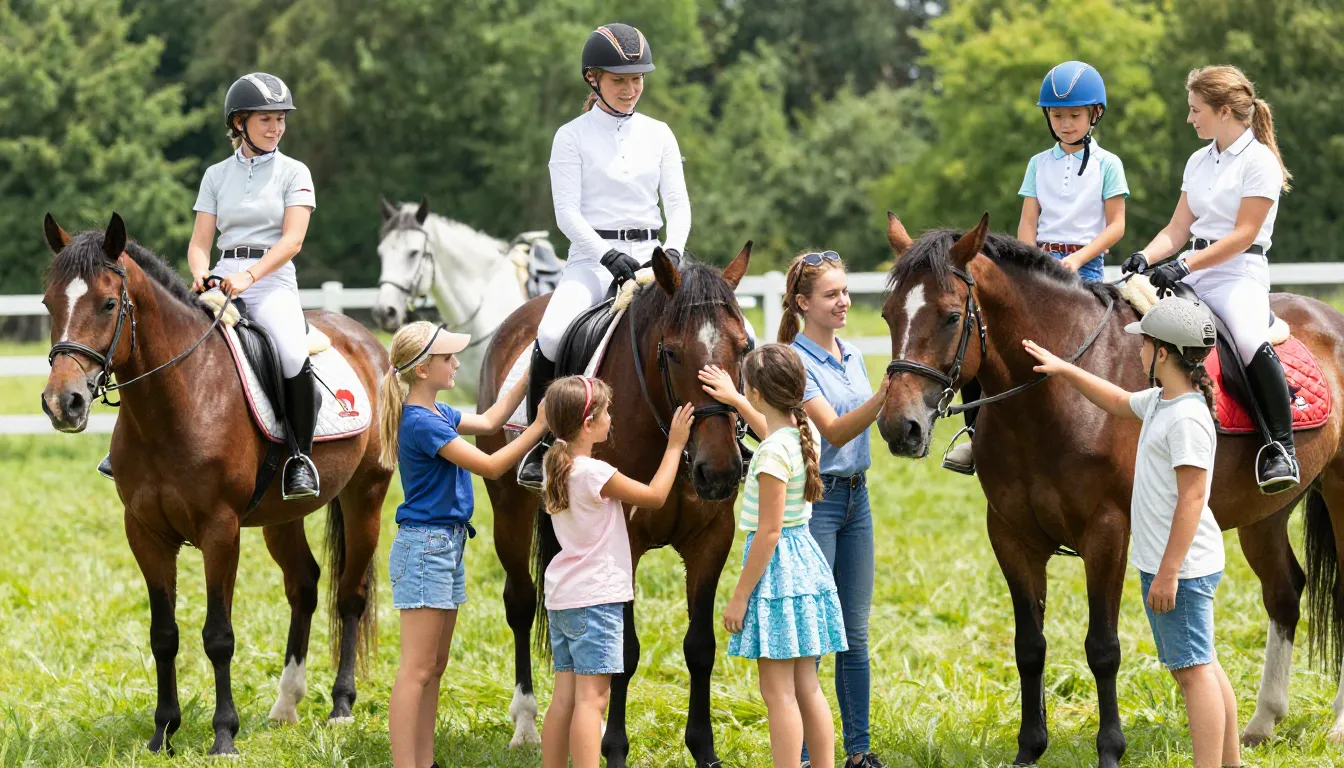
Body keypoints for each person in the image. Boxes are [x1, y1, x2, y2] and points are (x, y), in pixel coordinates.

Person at [1023, 296, 1239, 768]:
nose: (1138, 348)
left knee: (1192, 672)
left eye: (1144, 341)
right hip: (1176, 562)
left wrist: (1168, 572)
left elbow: (1193, 499)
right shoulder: (1166, 400)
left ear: (1163, 352)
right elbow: (1118, 401)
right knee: (1204, 663)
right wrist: (1064, 368)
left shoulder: (1184, 418)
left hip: (1180, 567)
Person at [96, 72, 323, 499]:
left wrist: (250, 276)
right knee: (159, 344)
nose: (276, 128)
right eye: (266, 120)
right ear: (239, 123)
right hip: (221, 277)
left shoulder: (295, 171)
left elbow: (292, 240)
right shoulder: (216, 175)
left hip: (270, 282)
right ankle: (127, 447)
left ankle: (299, 457)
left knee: (292, 353)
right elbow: (200, 243)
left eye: (280, 120)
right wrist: (201, 271)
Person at [518, 21, 691, 490]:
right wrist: (606, 253)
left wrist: (672, 248)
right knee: (552, 335)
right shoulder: (570, 136)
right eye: (620, 80)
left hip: (656, 255)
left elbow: (676, 204)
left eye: (637, 79)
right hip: (593, 259)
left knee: (722, 326)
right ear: (593, 78)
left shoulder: (659, 133)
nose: (632, 89)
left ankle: (729, 433)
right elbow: (567, 213)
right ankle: (540, 446)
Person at [737, 250, 889, 768]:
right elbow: (834, 430)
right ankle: (802, 757)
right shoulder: (795, 363)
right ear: (803, 303)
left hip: (857, 499)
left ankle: (859, 751)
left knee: (855, 631)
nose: (843, 301)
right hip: (817, 508)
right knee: (810, 637)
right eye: (831, 294)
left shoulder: (852, 353)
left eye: (845, 291)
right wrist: (891, 391)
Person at [944, 60, 1130, 475]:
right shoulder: (1037, 164)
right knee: (986, 341)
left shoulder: (1108, 164)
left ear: (1094, 114)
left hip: (1087, 269)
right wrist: (1025, 266)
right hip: (1037, 265)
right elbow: (1029, 221)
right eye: (1057, 115)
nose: (1065, 123)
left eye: (1074, 115)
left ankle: (1113, 431)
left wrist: (1078, 260)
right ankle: (974, 436)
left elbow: (1116, 225)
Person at [376, 321, 548, 768]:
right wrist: (541, 426)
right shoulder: (420, 422)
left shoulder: (439, 412)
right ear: (421, 369)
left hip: (445, 547)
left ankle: (425, 761)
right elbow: (491, 465)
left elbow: (492, 420)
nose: (456, 363)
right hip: (425, 548)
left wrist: (530, 373)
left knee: (435, 666)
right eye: (447, 357)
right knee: (416, 670)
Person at [1122, 65, 1297, 493]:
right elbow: (1178, 229)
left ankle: (1280, 446)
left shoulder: (1260, 162)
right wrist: (1146, 255)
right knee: (1134, 321)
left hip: (1239, 273)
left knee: (1247, 339)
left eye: (1195, 110)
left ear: (1222, 111)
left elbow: (1243, 235)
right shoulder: (1199, 160)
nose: (1189, 118)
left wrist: (1185, 265)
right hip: (1196, 269)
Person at [701, 343, 847, 768]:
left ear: (761, 393)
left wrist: (740, 596)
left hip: (776, 573)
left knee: (778, 693)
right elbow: (775, 431)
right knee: (807, 687)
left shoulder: (769, 455)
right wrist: (737, 399)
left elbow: (767, 532)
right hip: (805, 563)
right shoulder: (803, 435)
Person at [538, 375, 694, 768]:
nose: (613, 417)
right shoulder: (594, 473)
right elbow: (656, 497)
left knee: (564, 699)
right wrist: (675, 445)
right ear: (588, 424)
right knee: (593, 702)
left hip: (564, 598)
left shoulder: (555, 464)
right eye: (607, 411)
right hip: (598, 599)